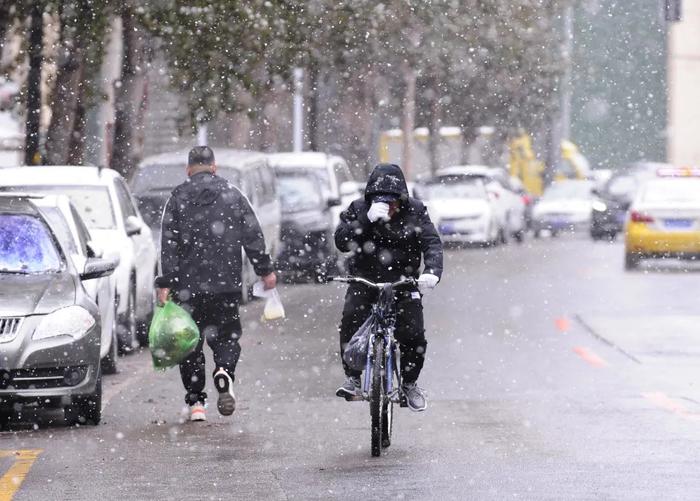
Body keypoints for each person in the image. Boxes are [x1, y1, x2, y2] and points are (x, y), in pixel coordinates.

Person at [155, 146, 276, 422]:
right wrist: (265, 270)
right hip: (225, 284)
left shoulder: (177, 198)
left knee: (189, 343)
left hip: (188, 288)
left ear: (188, 169)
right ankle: (224, 371)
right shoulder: (232, 194)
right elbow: (253, 234)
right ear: (214, 166)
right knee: (227, 336)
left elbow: (169, 245)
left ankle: (197, 402)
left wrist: (166, 283)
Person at [334, 163, 443, 411]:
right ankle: (352, 377)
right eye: (382, 201)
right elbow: (341, 241)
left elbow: (431, 244)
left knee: (413, 333)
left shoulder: (416, 211)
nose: (388, 206)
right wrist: (365, 220)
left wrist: (432, 273)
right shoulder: (358, 210)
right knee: (351, 319)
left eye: (392, 201)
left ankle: (409, 384)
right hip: (365, 280)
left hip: (403, 282)